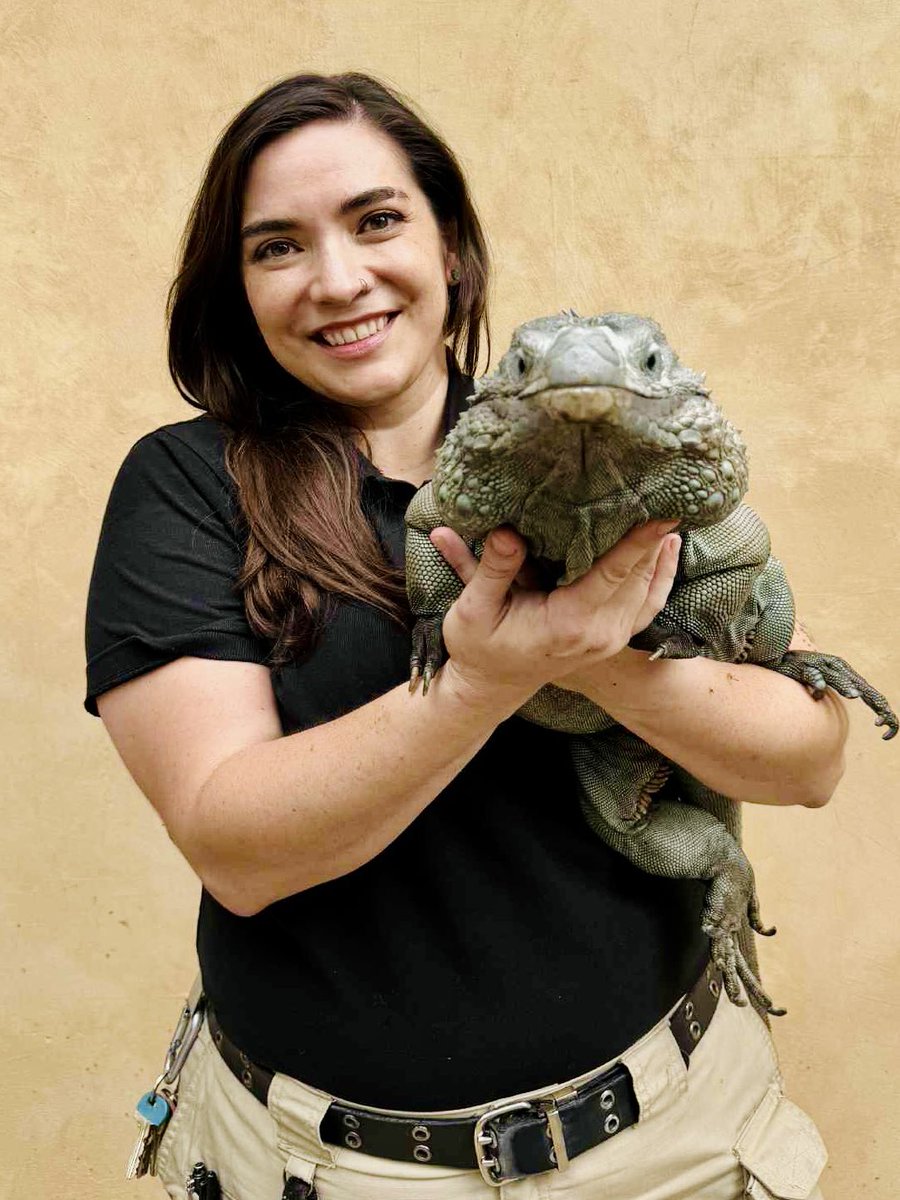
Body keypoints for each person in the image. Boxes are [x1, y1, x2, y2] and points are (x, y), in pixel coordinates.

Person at [84, 71, 844, 1200]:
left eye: (378, 220)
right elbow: (235, 848)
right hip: (334, 1171)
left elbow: (811, 761)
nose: (339, 279)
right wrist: (486, 678)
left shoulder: (608, 447)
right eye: (277, 246)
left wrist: (605, 661)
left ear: (452, 251)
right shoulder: (189, 488)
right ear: (236, 287)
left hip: (672, 1138)